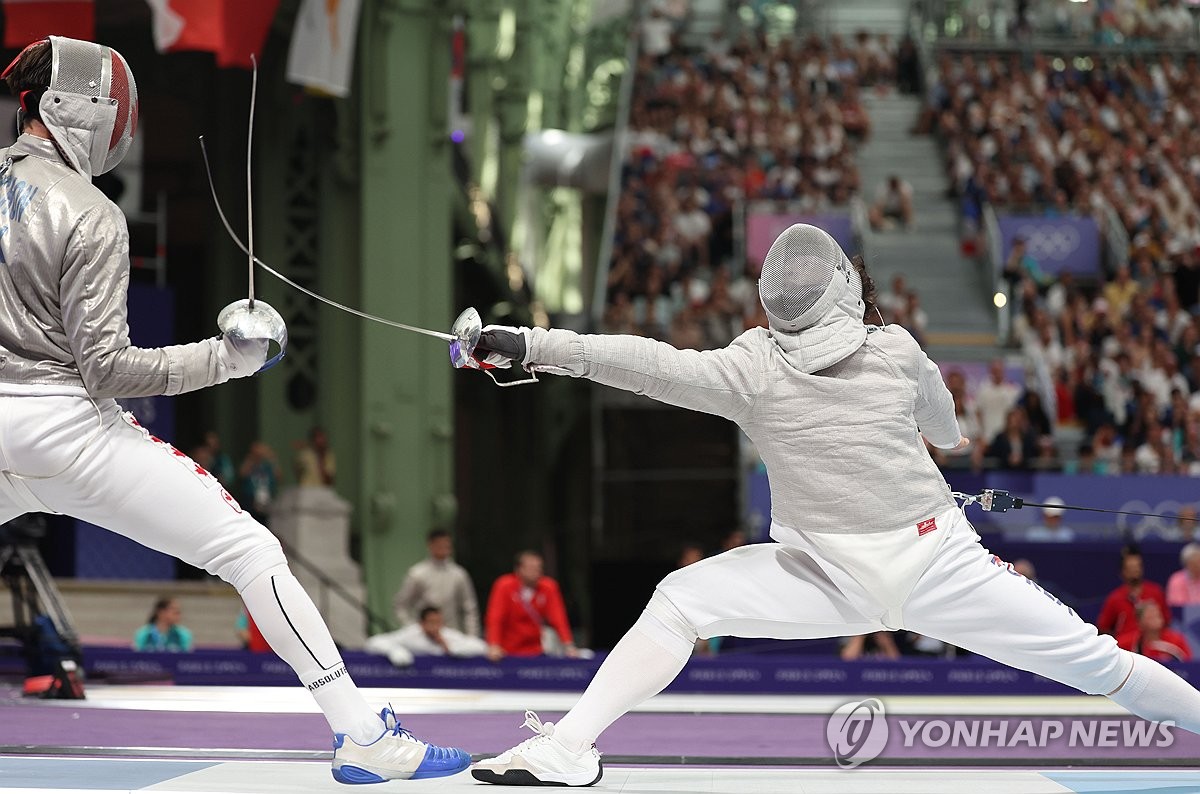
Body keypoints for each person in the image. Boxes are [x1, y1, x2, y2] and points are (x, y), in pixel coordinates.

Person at [465, 224, 1200, 786]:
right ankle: (565, 748)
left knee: (680, 603)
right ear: (847, 287)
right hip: (933, 565)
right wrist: (939, 431)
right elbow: (948, 432)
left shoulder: (751, 364)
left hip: (830, 578)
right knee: (1100, 665)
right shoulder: (898, 348)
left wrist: (529, 344)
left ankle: (569, 746)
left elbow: (646, 364)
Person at [0, 38, 467, 782]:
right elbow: (108, 370)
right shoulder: (90, 213)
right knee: (249, 552)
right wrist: (230, 356)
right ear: (79, 111)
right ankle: (363, 737)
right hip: (64, 430)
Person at [484, 550, 577, 661]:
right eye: (531, 568)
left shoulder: (549, 587)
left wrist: (568, 644)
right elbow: (495, 618)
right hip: (507, 651)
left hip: (536, 649)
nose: (537, 571)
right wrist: (494, 644)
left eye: (539, 567)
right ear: (518, 569)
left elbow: (559, 618)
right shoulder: (504, 585)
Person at [393, 529, 480, 635]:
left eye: (446, 544)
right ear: (430, 545)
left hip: (452, 634)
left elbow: (469, 608)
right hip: (424, 636)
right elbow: (401, 605)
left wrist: (472, 636)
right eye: (439, 544)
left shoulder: (459, 574)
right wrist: (413, 629)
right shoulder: (417, 574)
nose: (443, 547)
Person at [365, 606, 489, 667]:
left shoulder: (447, 634)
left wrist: (450, 647)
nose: (435, 627)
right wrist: (395, 651)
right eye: (431, 622)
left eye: (438, 622)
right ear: (422, 624)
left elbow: (481, 646)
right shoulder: (411, 634)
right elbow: (373, 642)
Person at [1097, 548, 1171, 638]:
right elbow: (1103, 628)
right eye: (1130, 568)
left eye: (1137, 566)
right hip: (1125, 646)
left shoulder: (1155, 592)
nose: (1135, 570)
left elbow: (1166, 621)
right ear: (1123, 572)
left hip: (1152, 645)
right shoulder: (1115, 598)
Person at [1117, 602, 1191, 663]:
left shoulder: (1176, 641)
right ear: (1139, 622)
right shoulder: (1126, 643)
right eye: (1150, 617)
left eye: (1157, 615)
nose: (1156, 619)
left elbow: (1189, 665)